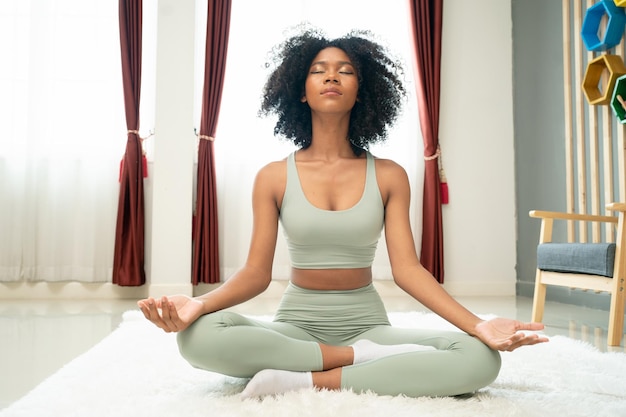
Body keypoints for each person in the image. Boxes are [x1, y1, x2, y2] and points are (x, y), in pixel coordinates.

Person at [137, 27, 548, 399]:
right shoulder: (273, 177)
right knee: (196, 338)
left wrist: (478, 325)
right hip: (295, 325)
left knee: (480, 360)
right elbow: (256, 274)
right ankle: (357, 361)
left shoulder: (389, 175)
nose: (331, 76)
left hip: (368, 325)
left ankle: (305, 377)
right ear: (301, 90)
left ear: (360, 91)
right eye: (319, 70)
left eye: (345, 71)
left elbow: (408, 271)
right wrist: (199, 304)